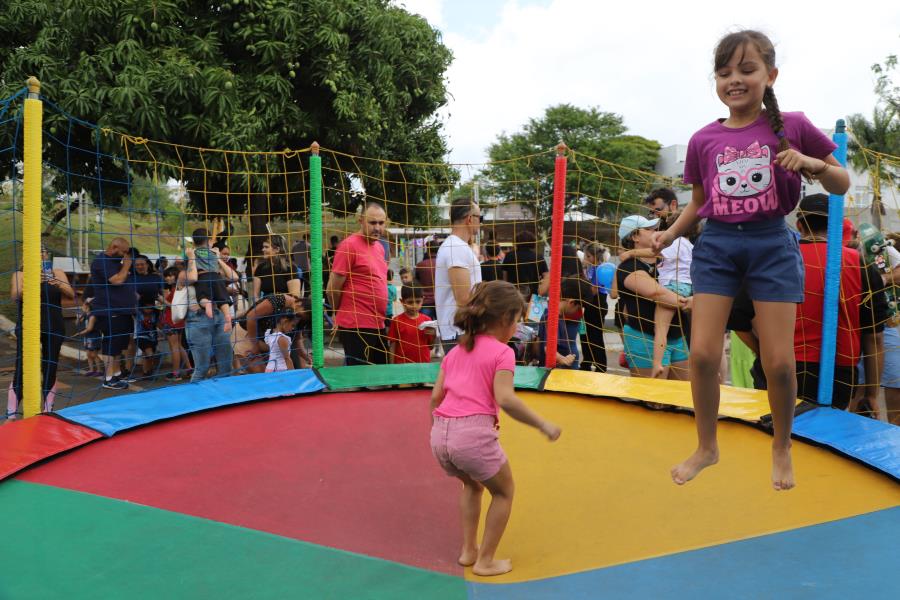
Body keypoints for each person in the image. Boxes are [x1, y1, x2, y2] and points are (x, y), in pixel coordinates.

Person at [654, 30, 850, 490]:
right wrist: (670, 233)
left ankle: (781, 444)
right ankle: (707, 446)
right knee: (703, 354)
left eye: (746, 70)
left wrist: (812, 164)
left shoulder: (793, 125)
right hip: (718, 245)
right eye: (724, 73)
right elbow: (699, 201)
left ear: (770, 75)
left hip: (770, 244)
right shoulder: (704, 138)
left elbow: (841, 183)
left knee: (779, 362)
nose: (734, 81)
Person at [430, 280, 561, 576]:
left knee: (471, 485)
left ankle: (468, 550)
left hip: (441, 435)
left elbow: (436, 397)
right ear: (504, 320)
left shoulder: (454, 352)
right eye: (517, 321)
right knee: (504, 492)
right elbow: (505, 398)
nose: (517, 327)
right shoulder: (503, 353)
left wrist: (436, 431)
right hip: (472, 435)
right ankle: (486, 560)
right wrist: (542, 424)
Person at [792, 194, 882, 409]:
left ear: (799, 224)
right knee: (826, 437)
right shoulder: (860, 264)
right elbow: (875, 337)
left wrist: (763, 352)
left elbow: (741, 318)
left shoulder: (780, 258)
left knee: (779, 435)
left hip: (783, 363)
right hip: (840, 369)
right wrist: (871, 394)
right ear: (837, 225)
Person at [617, 215, 692, 379]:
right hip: (645, 338)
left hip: (678, 336)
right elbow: (658, 294)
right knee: (653, 401)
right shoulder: (628, 267)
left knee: (679, 397)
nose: (658, 232)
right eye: (651, 229)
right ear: (635, 236)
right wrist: (691, 302)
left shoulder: (666, 260)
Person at [8, 245, 76, 419]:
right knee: (22, 367)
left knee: (50, 366)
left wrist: (58, 284)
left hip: (53, 324)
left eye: (43, 252)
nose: (40, 255)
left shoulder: (57, 272)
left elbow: (71, 294)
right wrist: (31, 284)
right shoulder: (20, 274)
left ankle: (47, 410)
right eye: (35, 252)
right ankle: (12, 413)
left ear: (47, 256)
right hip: (28, 326)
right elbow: (15, 296)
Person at [326, 202, 390, 366]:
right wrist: (340, 312)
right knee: (361, 381)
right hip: (356, 325)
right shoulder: (349, 245)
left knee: (383, 378)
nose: (377, 228)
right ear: (361, 221)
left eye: (381, 223)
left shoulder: (380, 248)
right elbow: (332, 289)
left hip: (378, 323)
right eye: (372, 222)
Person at [435, 198, 483, 352]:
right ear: (470, 219)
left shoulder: (458, 246)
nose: (481, 223)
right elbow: (463, 298)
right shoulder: (456, 247)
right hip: (459, 332)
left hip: (459, 330)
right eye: (479, 218)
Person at [89, 238, 136, 390]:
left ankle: (116, 374)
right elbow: (116, 280)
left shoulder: (116, 263)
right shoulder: (101, 261)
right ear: (114, 247)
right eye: (123, 252)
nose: (124, 256)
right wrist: (127, 265)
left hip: (122, 311)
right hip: (110, 310)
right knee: (111, 343)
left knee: (119, 345)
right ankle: (108, 378)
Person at [182, 246, 234, 382]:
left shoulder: (214, 274)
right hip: (198, 319)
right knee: (202, 369)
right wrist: (192, 257)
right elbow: (193, 277)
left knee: (225, 367)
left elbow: (234, 277)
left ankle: (226, 316)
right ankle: (196, 399)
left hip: (218, 316)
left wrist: (219, 260)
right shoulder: (185, 274)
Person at [538, 277, 595, 369]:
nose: (579, 311)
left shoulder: (557, 316)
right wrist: (562, 359)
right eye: (579, 308)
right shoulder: (551, 318)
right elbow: (548, 348)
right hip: (550, 373)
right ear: (572, 302)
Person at [191, 228, 236, 332]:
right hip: (216, 277)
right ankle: (227, 317)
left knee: (202, 296)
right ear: (209, 241)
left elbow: (182, 260)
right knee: (222, 298)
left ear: (194, 242)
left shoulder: (194, 252)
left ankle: (206, 303)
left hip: (203, 277)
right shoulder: (214, 252)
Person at [580, 242, 609, 372]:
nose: (585, 259)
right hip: (590, 304)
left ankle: (601, 366)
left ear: (594, 257)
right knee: (585, 335)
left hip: (597, 303)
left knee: (595, 336)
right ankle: (587, 362)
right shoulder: (591, 268)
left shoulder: (599, 269)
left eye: (587, 256)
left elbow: (594, 290)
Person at [388, 285, 436, 364]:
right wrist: (392, 367)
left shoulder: (427, 320)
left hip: (423, 364)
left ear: (423, 300)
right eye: (410, 302)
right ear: (402, 301)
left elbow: (431, 347)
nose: (414, 305)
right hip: (402, 365)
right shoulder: (396, 321)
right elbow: (392, 346)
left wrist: (433, 336)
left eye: (418, 301)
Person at [160, 266, 191, 381]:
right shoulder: (181, 287)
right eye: (166, 276)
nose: (167, 278)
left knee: (174, 347)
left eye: (170, 275)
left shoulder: (176, 288)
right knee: (179, 346)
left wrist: (160, 299)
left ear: (176, 275)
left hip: (171, 320)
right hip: (179, 321)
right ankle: (189, 369)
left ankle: (176, 374)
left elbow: (172, 305)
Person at [253, 235, 301, 301]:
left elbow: (295, 298)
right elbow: (255, 295)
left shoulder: (290, 268)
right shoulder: (260, 268)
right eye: (263, 247)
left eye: (266, 247)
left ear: (277, 249)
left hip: (285, 307)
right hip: (265, 306)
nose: (263, 249)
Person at [502, 231, 549, 298]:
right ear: (533, 242)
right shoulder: (538, 257)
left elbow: (505, 277)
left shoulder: (510, 256)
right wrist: (541, 291)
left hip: (514, 294)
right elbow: (546, 276)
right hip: (533, 295)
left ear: (517, 242)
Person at [75, 299, 102, 377]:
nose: (82, 307)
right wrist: (78, 318)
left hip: (94, 336)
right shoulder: (85, 315)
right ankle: (91, 369)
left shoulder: (92, 316)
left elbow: (89, 328)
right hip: (87, 337)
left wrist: (79, 333)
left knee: (94, 354)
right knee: (88, 354)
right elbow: (77, 324)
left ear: (88, 306)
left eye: (83, 305)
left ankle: (99, 370)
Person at [415, 241, 439, 319]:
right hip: (441, 302)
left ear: (428, 250)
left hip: (425, 302)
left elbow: (416, 283)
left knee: (425, 328)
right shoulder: (443, 264)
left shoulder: (420, 265)